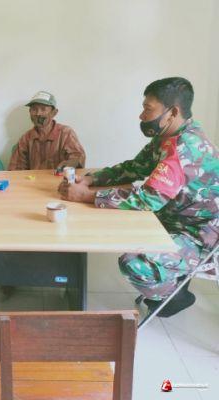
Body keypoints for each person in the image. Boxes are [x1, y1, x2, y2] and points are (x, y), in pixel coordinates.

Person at [59, 77, 219, 317]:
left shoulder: (185, 148)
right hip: (173, 217)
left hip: (200, 235)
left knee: (133, 263)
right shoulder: (166, 136)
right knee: (114, 222)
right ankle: (174, 275)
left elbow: (148, 199)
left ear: (172, 112)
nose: (142, 116)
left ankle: (172, 298)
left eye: (148, 109)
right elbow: (135, 167)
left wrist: (87, 196)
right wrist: (92, 179)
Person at [8, 91, 86, 171]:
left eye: (43, 109)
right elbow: (15, 168)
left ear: (54, 113)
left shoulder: (66, 133)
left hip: (60, 178)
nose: (38, 113)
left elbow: (79, 157)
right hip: (34, 179)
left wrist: (70, 163)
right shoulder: (26, 138)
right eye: (34, 109)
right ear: (29, 112)